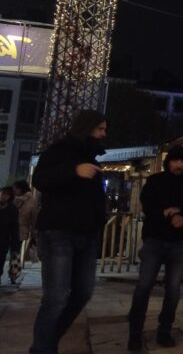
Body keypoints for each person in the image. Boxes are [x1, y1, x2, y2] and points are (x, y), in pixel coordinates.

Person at [30, 110, 108, 354]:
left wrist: (99, 222)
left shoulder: (93, 157)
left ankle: (48, 341)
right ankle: (43, 348)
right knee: (56, 296)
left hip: (87, 233)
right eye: (100, 129)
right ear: (87, 128)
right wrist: (74, 171)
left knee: (83, 292)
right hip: (59, 231)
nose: (104, 134)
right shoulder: (59, 151)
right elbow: (41, 180)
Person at [127, 145, 183, 351]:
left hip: (180, 241)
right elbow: (148, 203)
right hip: (155, 239)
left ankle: (165, 330)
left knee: (173, 289)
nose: (179, 165)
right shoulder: (156, 181)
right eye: (175, 161)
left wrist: (181, 211)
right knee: (144, 285)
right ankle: (135, 333)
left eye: (182, 161)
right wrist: (168, 214)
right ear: (168, 162)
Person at [12, 180, 38, 262]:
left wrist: (33, 233)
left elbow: (34, 218)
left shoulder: (31, 201)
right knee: (14, 252)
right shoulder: (10, 197)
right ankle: (13, 269)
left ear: (21, 189)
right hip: (15, 230)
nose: (14, 190)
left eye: (15, 189)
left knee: (15, 252)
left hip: (20, 230)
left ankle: (13, 270)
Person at [0, 186, 20, 283]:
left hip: (3, 240)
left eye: (5, 194)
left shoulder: (12, 210)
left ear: (10, 197)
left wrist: (15, 246)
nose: (2, 196)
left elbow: (14, 228)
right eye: (1, 193)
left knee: (0, 261)